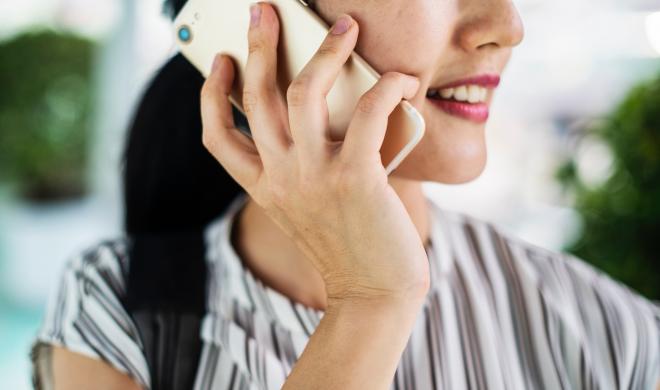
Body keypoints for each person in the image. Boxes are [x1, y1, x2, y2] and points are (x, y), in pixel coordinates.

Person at [31, 0, 660, 389]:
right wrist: (370, 304)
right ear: (253, 13)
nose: (506, 25)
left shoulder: (621, 339)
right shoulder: (112, 315)